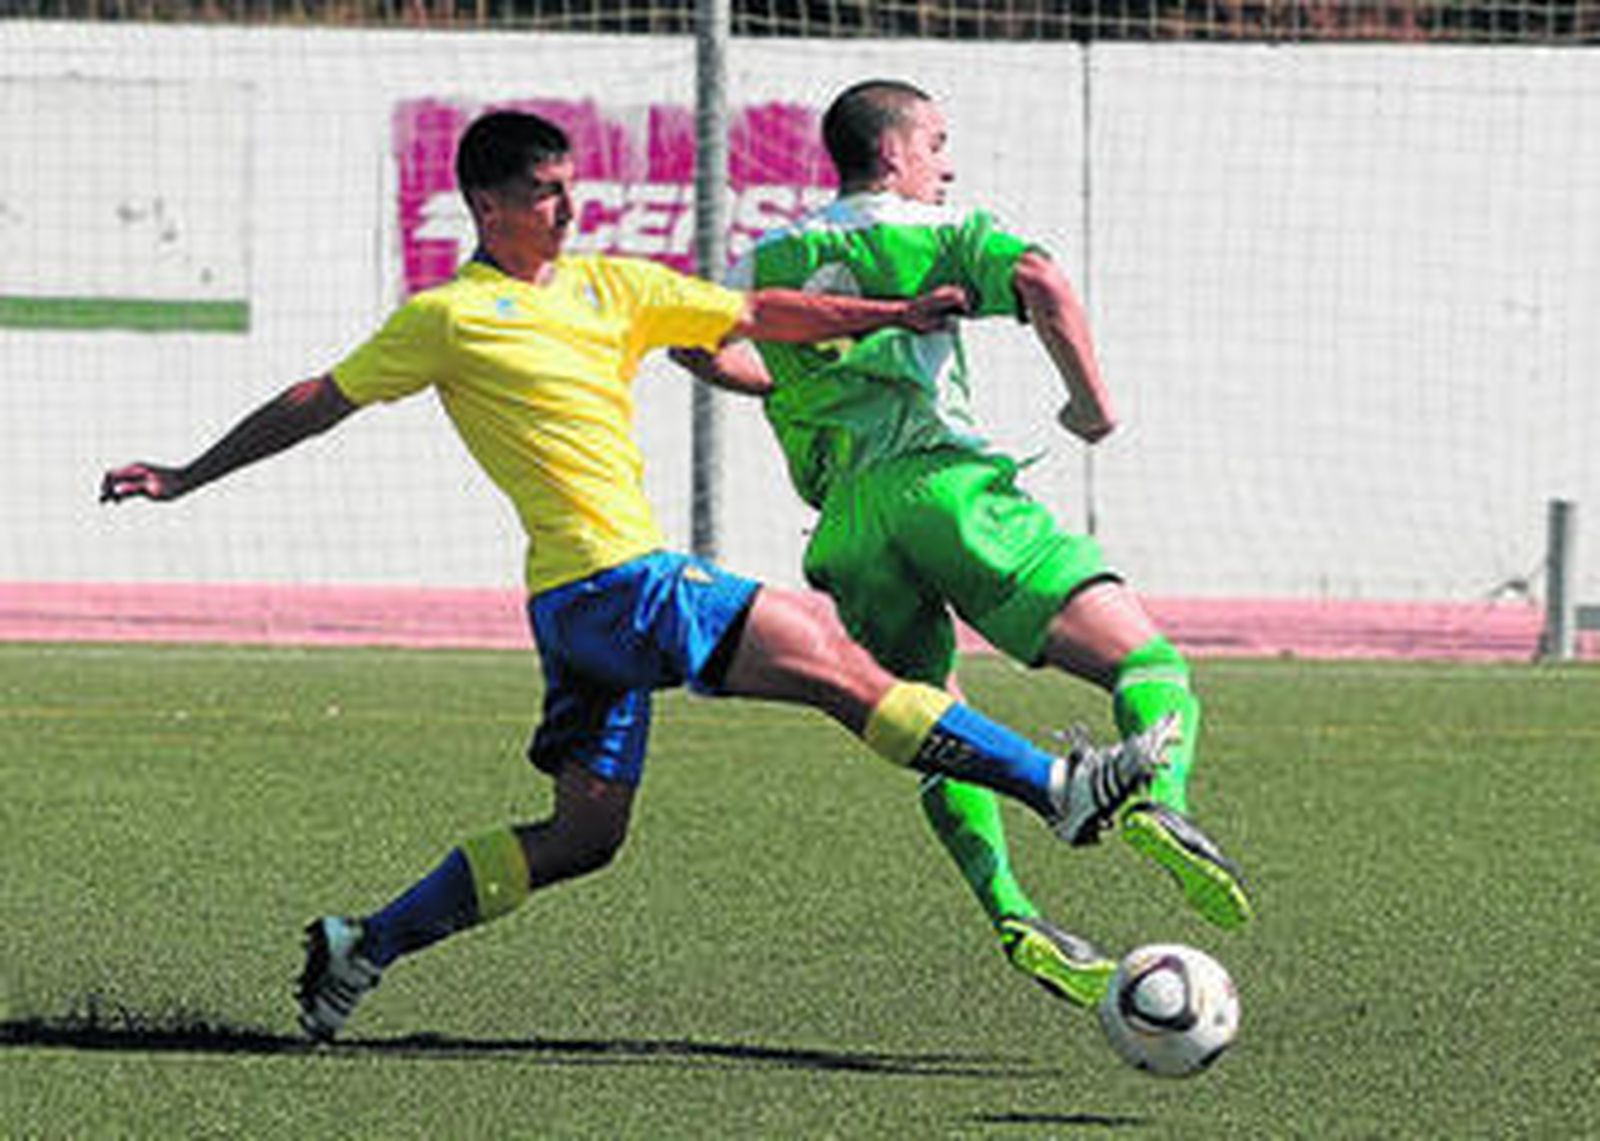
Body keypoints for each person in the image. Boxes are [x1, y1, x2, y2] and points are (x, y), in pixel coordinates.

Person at [99, 109, 1175, 1043]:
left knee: (583, 837)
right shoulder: (447, 318)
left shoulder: (615, 287)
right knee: (838, 659)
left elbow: (757, 318)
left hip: (578, 609)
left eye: (572, 189)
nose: (570, 209)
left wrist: (888, 316)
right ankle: (1058, 790)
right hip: (617, 583)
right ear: (485, 201)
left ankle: (360, 944)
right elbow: (317, 398)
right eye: (546, 194)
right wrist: (188, 474)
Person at [673, 80, 1253, 1012]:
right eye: (937, 143)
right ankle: (1160, 801)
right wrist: (1091, 405)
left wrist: (787, 387)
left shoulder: (768, 254)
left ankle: (1014, 913)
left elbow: (694, 346)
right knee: (1149, 660)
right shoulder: (940, 231)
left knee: (941, 723)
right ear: (894, 154)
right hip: (949, 494)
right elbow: (1043, 283)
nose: (949, 164)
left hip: (851, 527)